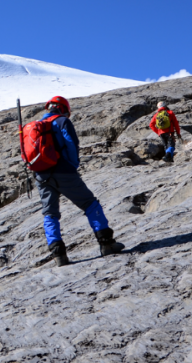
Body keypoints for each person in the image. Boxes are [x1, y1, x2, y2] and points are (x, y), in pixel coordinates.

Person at [33, 96, 124, 266]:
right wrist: (72, 166)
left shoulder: (36, 126)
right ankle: (107, 244)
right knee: (90, 204)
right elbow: (71, 145)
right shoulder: (62, 122)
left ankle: (59, 255)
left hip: (41, 175)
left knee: (50, 213)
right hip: (63, 171)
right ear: (64, 109)